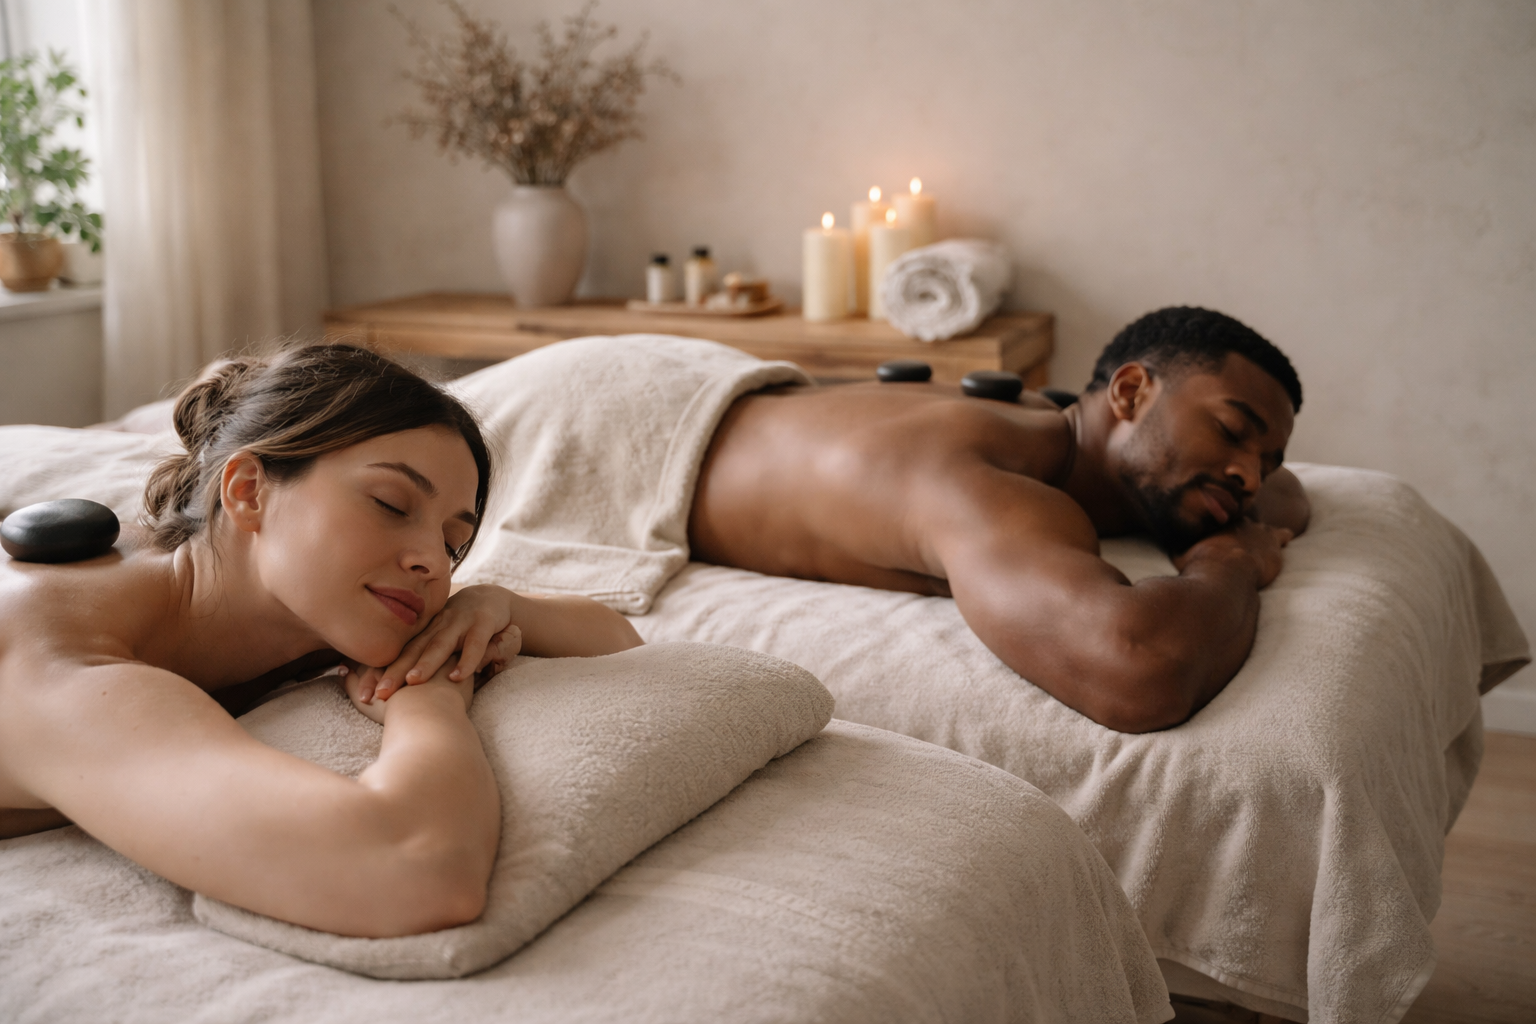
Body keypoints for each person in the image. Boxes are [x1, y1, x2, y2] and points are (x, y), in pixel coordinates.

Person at [0, 345, 642, 937]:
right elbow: (418, 872)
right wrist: (431, 697)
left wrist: (495, 602)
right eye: (391, 504)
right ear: (248, 492)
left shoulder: (295, 597)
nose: (433, 563)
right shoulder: (65, 672)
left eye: (452, 543)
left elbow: (621, 639)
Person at [690, 306, 1307, 733]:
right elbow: (1136, 667)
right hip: (662, 425)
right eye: (1231, 430)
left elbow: (1290, 496)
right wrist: (1231, 559)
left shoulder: (1043, 417)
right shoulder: (981, 476)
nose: (1251, 479)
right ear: (1129, 393)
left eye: (1266, 459)